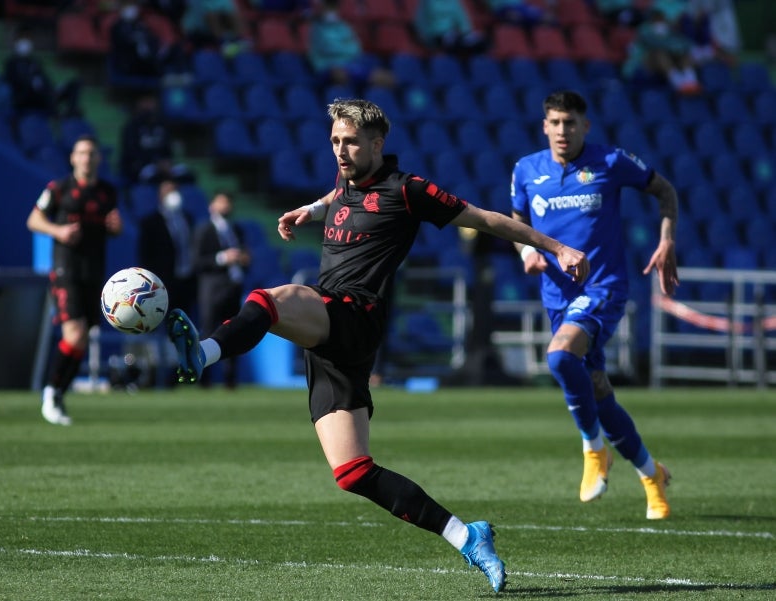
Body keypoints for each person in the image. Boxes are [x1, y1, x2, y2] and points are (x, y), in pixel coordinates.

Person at [164, 99, 591, 593]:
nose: (340, 152)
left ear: (376, 144)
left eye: (349, 143)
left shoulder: (408, 191)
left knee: (270, 299)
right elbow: (340, 193)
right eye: (334, 142)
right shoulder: (346, 180)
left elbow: (487, 219)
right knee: (352, 472)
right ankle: (466, 536)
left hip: (354, 313)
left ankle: (204, 353)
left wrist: (557, 248)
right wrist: (312, 208)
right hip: (330, 338)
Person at [509, 90, 678, 520]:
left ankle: (593, 449)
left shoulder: (610, 162)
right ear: (544, 125)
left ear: (585, 126)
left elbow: (665, 191)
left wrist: (666, 240)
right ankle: (651, 474)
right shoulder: (526, 170)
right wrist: (525, 251)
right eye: (555, 122)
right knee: (598, 392)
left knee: (560, 355)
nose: (562, 130)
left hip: (603, 287)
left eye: (570, 123)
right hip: (556, 296)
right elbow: (517, 220)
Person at [26, 135, 122, 425]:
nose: (87, 158)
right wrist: (59, 232)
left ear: (98, 159)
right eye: (81, 153)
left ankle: (57, 393)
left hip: (94, 271)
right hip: (66, 269)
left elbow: (112, 228)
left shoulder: (107, 192)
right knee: (75, 332)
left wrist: (115, 228)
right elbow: (33, 220)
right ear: (73, 158)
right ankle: (52, 391)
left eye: (92, 153)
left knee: (81, 337)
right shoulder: (59, 189)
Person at [192, 190, 250, 389]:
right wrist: (223, 258)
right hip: (212, 290)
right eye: (221, 202)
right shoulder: (204, 230)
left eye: (228, 202)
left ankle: (230, 380)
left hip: (233, 288)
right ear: (212, 205)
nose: (225, 206)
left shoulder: (237, 230)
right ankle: (204, 380)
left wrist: (243, 260)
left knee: (233, 332)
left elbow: (245, 257)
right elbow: (197, 261)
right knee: (208, 333)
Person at [138, 177, 197, 318]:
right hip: (163, 281)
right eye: (168, 191)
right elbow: (145, 254)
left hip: (186, 279)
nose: (172, 194)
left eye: (175, 190)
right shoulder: (150, 222)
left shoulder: (187, 218)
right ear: (160, 195)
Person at [305, 0, 395, 89]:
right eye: (328, 7)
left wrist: (339, 48)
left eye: (333, 7)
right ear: (321, 7)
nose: (331, 10)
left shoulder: (344, 26)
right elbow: (327, 49)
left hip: (351, 65)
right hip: (327, 67)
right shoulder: (315, 28)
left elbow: (355, 48)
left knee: (385, 77)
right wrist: (344, 46)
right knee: (339, 74)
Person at [622, 3, 703, 95]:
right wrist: (674, 46)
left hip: (660, 73)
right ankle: (678, 83)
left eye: (662, 18)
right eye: (657, 18)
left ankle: (690, 80)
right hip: (638, 70)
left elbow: (686, 44)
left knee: (683, 54)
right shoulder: (644, 30)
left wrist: (676, 45)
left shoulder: (670, 32)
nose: (660, 21)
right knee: (660, 54)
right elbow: (657, 44)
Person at [4, 27, 82, 118]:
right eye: (22, 38)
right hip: (26, 98)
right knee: (40, 90)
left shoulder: (34, 62)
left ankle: (71, 110)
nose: (25, 42)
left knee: (75, 84)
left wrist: (53, 89)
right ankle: (56, 114)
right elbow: (14, 84)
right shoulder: (11, 63)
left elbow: (45, 79)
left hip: (44, 94)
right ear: (16, 41)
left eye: (28, 38)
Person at [119, 94, 190, 185]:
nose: (149, 105)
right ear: (138, 103)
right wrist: (156, 163)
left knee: (187, 175)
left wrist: (166, 162)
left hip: (164, 165)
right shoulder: (131, 127)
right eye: (145, 101)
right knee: (154, 178)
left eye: (151, 101)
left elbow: (168, 150)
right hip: (141, 167)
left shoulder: (162, 125)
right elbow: (131, 154)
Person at [414, 0, 487, 56]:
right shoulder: (427, 2)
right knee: (455, 42)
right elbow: (420, 21)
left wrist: (467, 33)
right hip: (435, 35)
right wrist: (428, 39)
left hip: (454, 34)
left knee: (480, 41)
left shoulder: (453, 1)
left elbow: (462, 18)